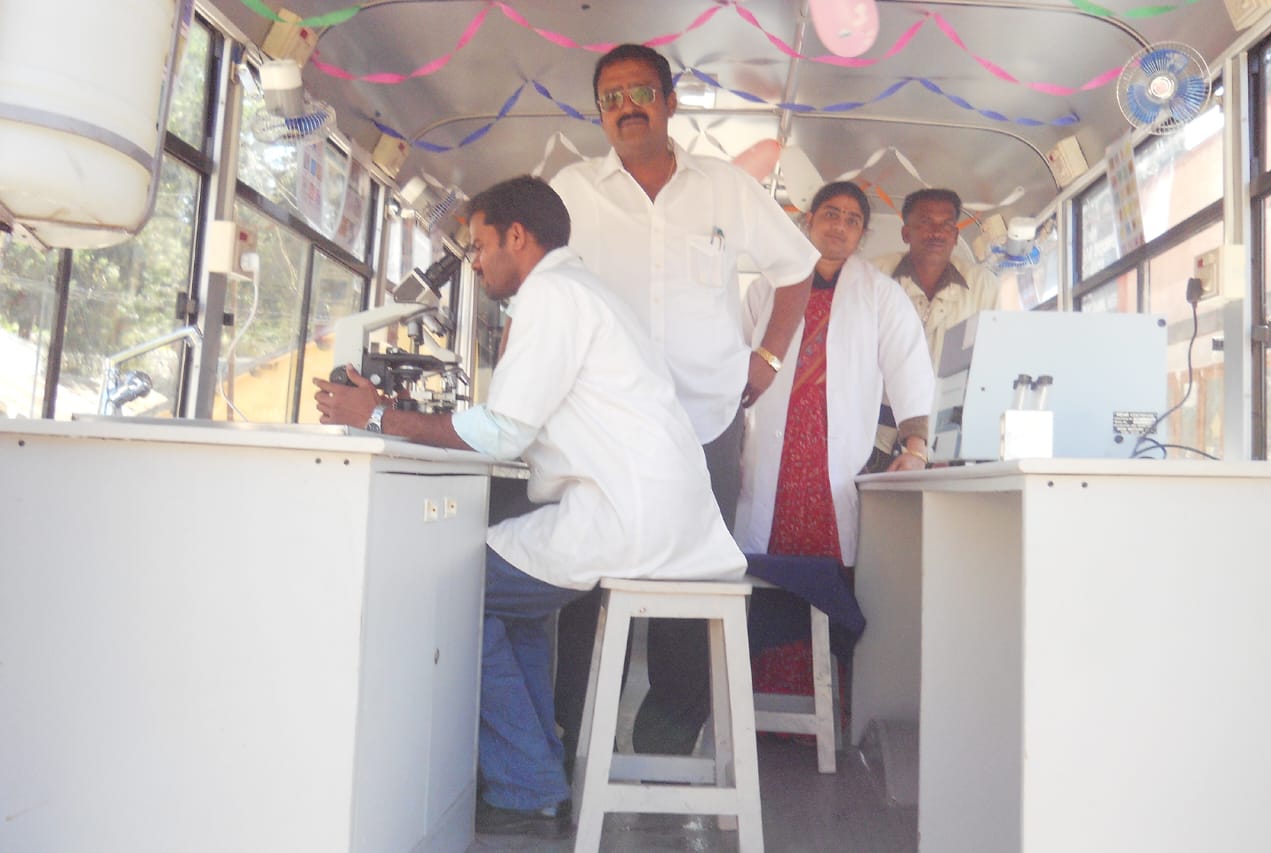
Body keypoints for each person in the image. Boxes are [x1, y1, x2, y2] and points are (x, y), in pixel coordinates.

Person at [313, 176, 745, 838]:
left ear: (518, 236)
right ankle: (533, 773)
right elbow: (509, 422)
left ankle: (527, 777)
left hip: (624, 519)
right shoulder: (578, 291)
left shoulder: (553, 295)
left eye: (481, 244)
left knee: (450, 589)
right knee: (507, 597)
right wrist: (394, 414)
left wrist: (377, 413)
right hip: (637, 511)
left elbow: (502, 432)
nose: (477, 260)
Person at [549, 43, 820, 758]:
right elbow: (540, 291)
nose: (626, 107)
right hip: (603, 426)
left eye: (641, 91)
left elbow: (798, 268)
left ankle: (665, 745)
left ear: (669, 102)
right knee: (583, 580)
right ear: (600, 113)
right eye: (610, 97)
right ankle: (572, 743)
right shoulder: (574, 191)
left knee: (690, 583)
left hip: (705, 420)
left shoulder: (727, 189)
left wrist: (766, 356)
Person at [735, 181, 934, 705]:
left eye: (851, 219)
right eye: (830, 214)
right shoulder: (767, 288)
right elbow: (732, 358)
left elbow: (909, 369)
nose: (839, 226)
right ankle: (756, 702)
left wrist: (915, 446)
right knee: (765, 574)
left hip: (833, 461)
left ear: (862, 234)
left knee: (824, 580)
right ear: (808, 221)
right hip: (770, 457)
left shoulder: (879, 294)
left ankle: (821, 707)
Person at [867, 187, 1001, 470]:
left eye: (946, 225)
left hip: (952, 434)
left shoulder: (983, 285)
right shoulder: (873, 276)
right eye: (926, 223)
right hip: (878, 434)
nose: (936, 233)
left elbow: (993, 363)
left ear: (955, 236)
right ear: (906, 233)